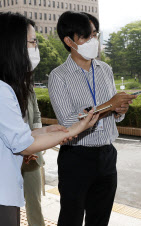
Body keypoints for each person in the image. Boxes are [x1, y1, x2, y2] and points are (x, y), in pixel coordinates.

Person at [0, 12, 100, 226]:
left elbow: (11, 135)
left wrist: (46, 131)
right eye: (33, 42)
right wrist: (76, 129)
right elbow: (23, 145)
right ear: (12, 44)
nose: (36, 47)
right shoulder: (2, 90)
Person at [48, 11, 136, 226]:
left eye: (95, 34)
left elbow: (115, 118)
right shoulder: (58, 76)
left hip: (107, 155)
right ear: (69, 41)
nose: (93, 41)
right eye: (86, 36)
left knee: (100, 218)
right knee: (71, 218)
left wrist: (119, 110)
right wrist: (109, 105)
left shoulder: (105, 69)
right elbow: (68, 121)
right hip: (76, 157)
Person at [21, 92, 45, 226]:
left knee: (34, 201)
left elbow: (36, 113)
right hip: (8, 157)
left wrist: (34, 140)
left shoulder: (26, 83)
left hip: (32, 155)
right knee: (8, 205)